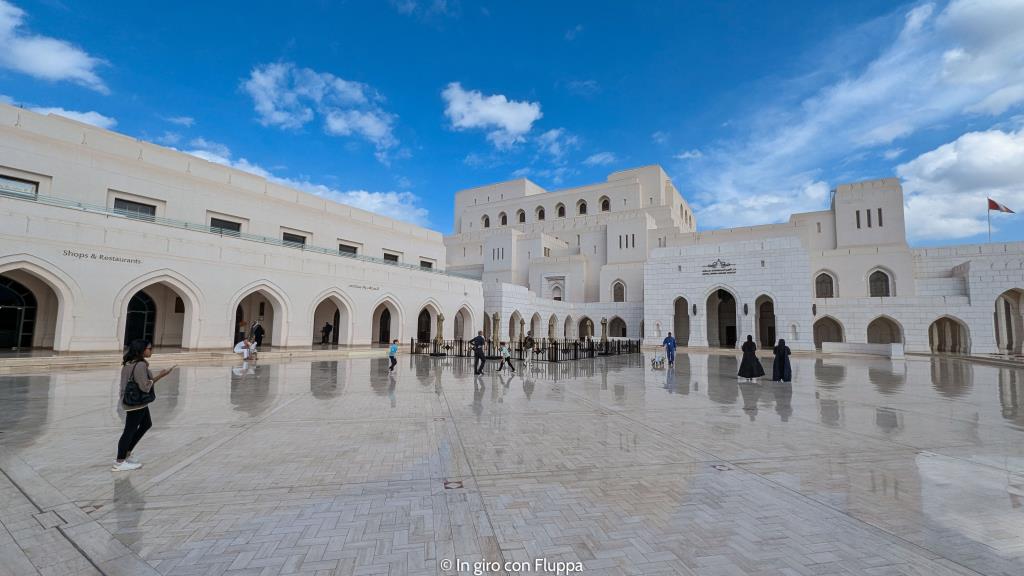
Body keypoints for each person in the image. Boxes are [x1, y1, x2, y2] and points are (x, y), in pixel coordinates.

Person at [114, 340, 175, 471]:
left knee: (146, 424)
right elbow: (145, 386)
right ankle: (119, 461)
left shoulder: (129, 363)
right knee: (129, 430)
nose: (151, 350)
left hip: (132, 400)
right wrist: (161, 375)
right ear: (141, 350)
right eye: (149, 348)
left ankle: (126, 453)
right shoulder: (140, 365)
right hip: (136, 402)